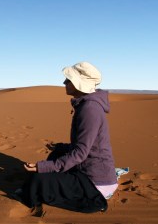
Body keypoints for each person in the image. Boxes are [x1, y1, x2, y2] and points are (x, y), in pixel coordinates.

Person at [20, 62, 115, 213]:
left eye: (69, 80)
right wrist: (60, 147)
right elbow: (84, 146)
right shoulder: (86, 105)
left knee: (39, 179)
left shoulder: (90, 109)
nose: (64, 82)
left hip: (95, 182)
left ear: (80, 84)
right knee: (55, 155)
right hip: (87, 169)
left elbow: (80, 153)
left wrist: (42, 167)